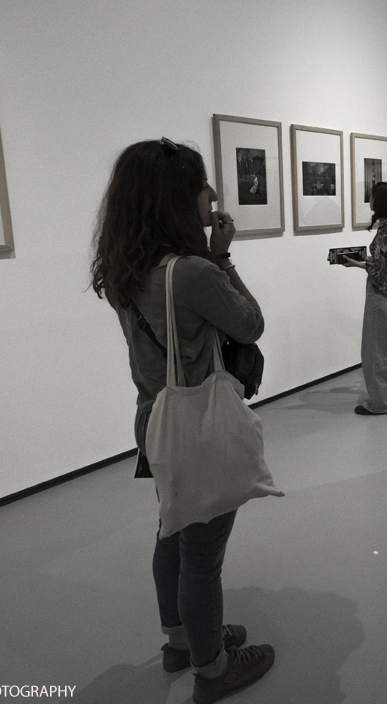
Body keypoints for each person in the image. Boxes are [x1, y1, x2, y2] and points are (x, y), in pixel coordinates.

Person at [90, 138, 275, 703]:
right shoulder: (191, 272)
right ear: (176, 199)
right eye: (202, 185)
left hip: (155, 419)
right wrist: (221, 256)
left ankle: (178, 640)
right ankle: (213, 669)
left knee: (172, 530)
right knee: (203, 555)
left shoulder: (123, 265)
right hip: (198, 423)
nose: (213, 194)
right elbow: (250, 324)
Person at [343, 181, 387, 415]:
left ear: (378, 202)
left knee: (375, 349)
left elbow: (381, 273)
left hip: (380, 296)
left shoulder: (383, 233)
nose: (369, 201)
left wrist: (358, 264)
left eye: (372, 197)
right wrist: (366, 261)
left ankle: (379, 403)